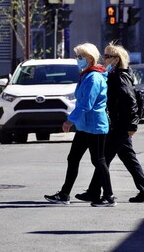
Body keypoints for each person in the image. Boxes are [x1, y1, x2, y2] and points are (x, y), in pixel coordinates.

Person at [75, 43, 144, 204]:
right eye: (104, 55)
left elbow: (131, 101)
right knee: (128, 158)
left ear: (116, 60)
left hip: (121, 126)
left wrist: (132, 125)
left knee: (102, 158)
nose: (103, 59)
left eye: (107, 56)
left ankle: (101, 194)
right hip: (119, 125)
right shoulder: (115, 75)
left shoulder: (119, 77)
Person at [44, 42, 116, 207]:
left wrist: (71, 120)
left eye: (80, 56)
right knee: (73, 158)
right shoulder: (87, 75)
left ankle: (109, 196)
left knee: (99, 160)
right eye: (77, 56)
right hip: (85, 126)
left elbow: (86, 104)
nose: (78, 60)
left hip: (95, 125)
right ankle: (64, 194)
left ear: (90, 58)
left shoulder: (94, 77)